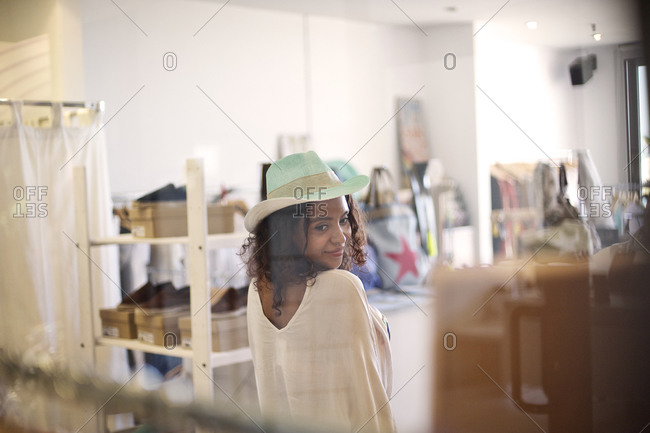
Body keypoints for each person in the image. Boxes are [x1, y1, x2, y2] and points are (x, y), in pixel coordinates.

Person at [240, 151, 396, 432]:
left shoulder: (256, 291)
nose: (341, 236)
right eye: (321, 226)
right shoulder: (342, 287)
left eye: (344, 219)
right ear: (285, 232)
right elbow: (369, 402)